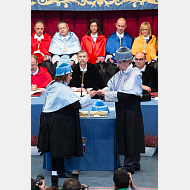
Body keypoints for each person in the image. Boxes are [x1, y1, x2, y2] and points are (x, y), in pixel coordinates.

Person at [37, 60, 97, 178]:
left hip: (51, 119)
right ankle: (60, 170)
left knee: (54, 147)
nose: (71, 78)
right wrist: (89, 96)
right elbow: (77, 104)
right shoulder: (62, 89)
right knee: (58, 147)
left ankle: (58, 169)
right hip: (57, 120)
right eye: (69, 76)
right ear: (64, 76)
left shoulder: (53, 84)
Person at [98, 47, 145, 174]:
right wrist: (103, 91)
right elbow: (111, 86)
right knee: (128, 134)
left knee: (131, 135)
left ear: (127, 61)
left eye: (119, 62)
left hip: (131, 110)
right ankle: (134, 162)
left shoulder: (135, 74)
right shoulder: (120, 73)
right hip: (122, 108)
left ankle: (129, 165)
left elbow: (126, 94)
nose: (117, 65)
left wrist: (106, 95)